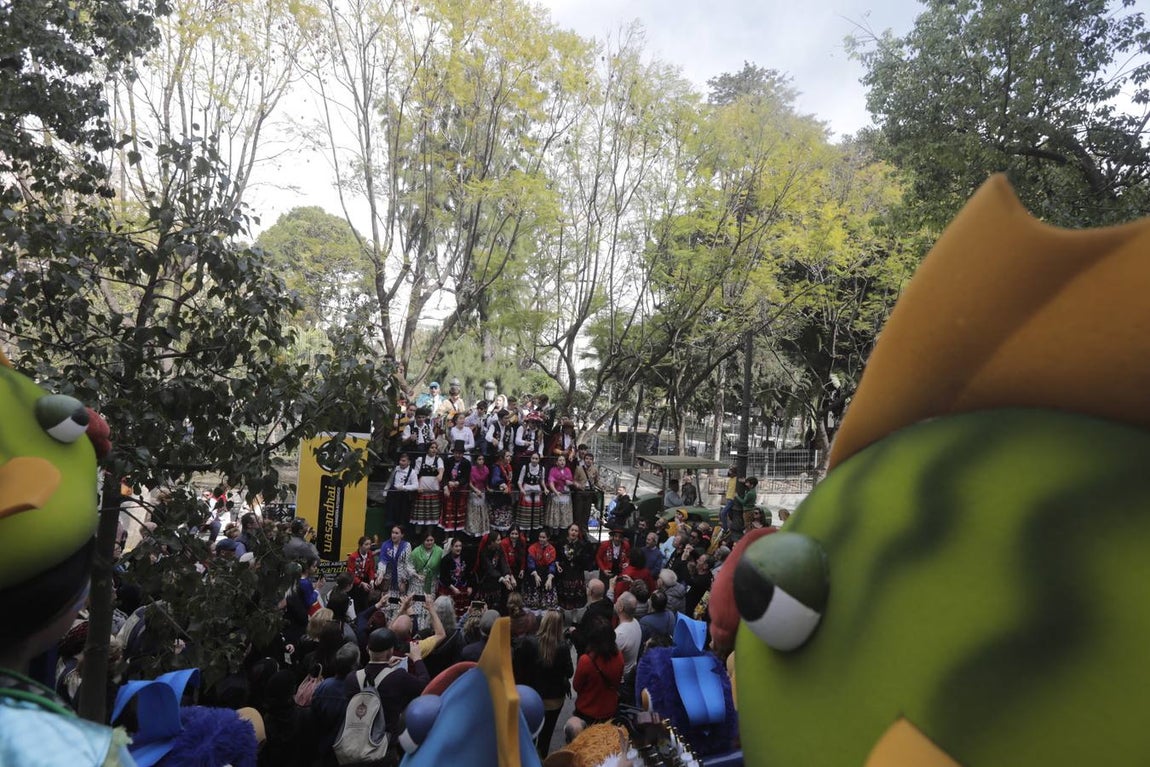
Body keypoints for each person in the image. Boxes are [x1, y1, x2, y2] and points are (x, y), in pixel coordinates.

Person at [513, 610, 574, 759]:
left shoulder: (529, 643)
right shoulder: (563, 646)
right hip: (554, 699)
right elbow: (570, 672)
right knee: (546, 736)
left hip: (532, 698)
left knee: (530, 733)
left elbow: (519, 668)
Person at [570, 618, 624, 727]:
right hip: (610, 709)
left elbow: (576, 686)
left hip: (587, 711)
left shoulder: (586, 660)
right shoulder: (619, 656)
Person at [556, 524, 592, 614]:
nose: (574, 532)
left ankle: (574, 621)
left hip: (577, 573)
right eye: (572, 530)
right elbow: (557, 557)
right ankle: (561, 616)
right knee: (562, 597)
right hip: (564, 573)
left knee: (576, 599)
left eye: (576, 531)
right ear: (568, 531)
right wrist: (558, 564)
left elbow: (586, 560)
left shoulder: (582, 544)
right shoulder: (561, 542)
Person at [571, 579, 613, 656]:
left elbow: (583, 640)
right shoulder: (608, 604)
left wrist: (573, 632)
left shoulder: (591, 614)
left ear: (591, 592)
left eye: (587, 586)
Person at [440, 441, 471, 535]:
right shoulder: (448, 461)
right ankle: (446, 536)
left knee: (458, 513)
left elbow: (466, 477)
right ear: (453, 453)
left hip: (460, 490)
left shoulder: (466, 463)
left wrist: (458, 482)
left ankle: (456, 535)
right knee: (448, 513)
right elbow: (444, 475)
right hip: (449, 489)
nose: (458, 455)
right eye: (456, 453)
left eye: (460, 453)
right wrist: (446, 484)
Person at [411, 441, 444, 528]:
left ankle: (429, 535)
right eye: (432, 447)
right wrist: (417, 486)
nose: (434, 450)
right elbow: (415, 474)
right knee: (420, 517)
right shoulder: (420, 459)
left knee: (432, 517)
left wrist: (440, 474)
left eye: (435, 448)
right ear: (428, 449)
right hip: (422, 491)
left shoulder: (438, 459)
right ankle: (417, 535)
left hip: (433, 492)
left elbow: (441, 468)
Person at [437, 538, 474, 616]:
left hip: (462, 588)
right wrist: (453, 588)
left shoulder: (465, 557)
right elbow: (443, 577)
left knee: (462, 612)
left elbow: (469, 572)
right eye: (456, 546)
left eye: (460, 546)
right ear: (451, 547)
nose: (458, 548)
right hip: (450, 589)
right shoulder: (446, 560)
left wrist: (470, 586)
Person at [525, 529, 558, 610]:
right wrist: (535, 574)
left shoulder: (551, 549)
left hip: (546, 573)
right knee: (533, 602)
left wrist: (550, 578)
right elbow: (530, 561)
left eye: (543, 537)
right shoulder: (533, 547)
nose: (541, 539)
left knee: (548, 601)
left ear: (548, 538)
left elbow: (552, 564)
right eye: (540, 537)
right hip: (535, 573)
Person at [384, 452, 419, 530]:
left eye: (403, 461)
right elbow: (390, 480)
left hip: (403, 498)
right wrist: (385, 492)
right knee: (391, 516)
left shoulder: (412, 472)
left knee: (402, 518)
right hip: (392, 496)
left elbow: (416, 486)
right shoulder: (396, 469)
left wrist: (404, 487)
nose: (401, 463)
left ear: (408, 462)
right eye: (400, 460)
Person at [408, 528, 443, 599]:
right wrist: (417, 575)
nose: (429, 542)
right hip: (417, 583)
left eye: (431, 540)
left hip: (432, 583)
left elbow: (443, 566)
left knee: (429, 603)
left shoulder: (439, 551)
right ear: (423, 541)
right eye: (427, 540)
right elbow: (409, 566)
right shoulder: (416, 552)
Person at [345, 536, 377, 613]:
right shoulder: (353, 557)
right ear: (360, 545)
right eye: (366, 544)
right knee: (357, 603)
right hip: (355, 583)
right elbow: (351, 573)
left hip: (366, 580)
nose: (368, 546)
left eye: (369, 544)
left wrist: (372, 580)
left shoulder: (370, 555)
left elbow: (371, 569)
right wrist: (361, 583)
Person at [613, 592, 641, 677]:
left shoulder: (619, 634)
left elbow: (611, 659)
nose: (615, 604)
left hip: (623, 677)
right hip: (632, 670)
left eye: (617, 601)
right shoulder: (635, 622)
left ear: (621, 607)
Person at [516, 452, 546, 533]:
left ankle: (534, 531)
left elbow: (542, 480)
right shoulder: (525, 467)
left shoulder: (542, 469)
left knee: (536, 511)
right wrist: (521, 489)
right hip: (527, 489)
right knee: (526, 511)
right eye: (533, 458)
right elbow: (519, 481)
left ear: (539, 460)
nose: (534, 460)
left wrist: (545, 488)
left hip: (537, 489)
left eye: (536, 459)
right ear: (530, 458)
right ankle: (525, 531)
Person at [487, 449, 516, 532]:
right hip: (498, 498)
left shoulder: (508, 467)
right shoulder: (497, 467)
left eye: (510, 456)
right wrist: (503, 485)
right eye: (507, 456)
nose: (509, 458)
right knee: (497, 522)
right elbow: (495, 479)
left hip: (506, 497)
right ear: (501, 458)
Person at [545, 455, 575, 532]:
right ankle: (554, 532)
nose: (562, 462)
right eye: (560, 460)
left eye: (563, 460)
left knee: (564, 515)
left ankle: (563, 531)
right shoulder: (553, 470)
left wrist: (569, 482)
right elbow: (551, 482)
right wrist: (555, 491)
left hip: (566, 495)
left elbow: (571, 481)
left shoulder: (568, 470)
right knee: (556, 515)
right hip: (556, 495)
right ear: (556, 462)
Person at [465, 453, 490, 537]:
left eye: (482, 459)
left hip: (482, 492)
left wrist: (487, 488)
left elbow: (486, 481)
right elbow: (470, 483)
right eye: (479, 459)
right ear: (476, 460)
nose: (481, 461)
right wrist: (475, 490)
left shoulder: (486, 469)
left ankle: (481, 531)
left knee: (482, 512)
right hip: (474, 492)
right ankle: (473, 531)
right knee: (474, 512)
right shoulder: (472, 469)